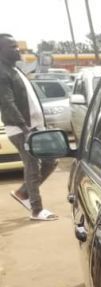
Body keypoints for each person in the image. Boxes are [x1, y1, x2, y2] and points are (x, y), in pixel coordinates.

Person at [0, 34, 57, 221]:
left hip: (33, 127)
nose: (17, 49)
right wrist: (25, 129)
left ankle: (23, 193)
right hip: (21, 129)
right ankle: (36, 209)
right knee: (32, 166)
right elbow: (7, 103)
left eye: (17, 45)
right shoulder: (2, 73)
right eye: (12, 46)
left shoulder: (14, 70)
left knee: (51, 160)